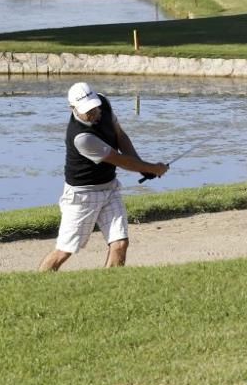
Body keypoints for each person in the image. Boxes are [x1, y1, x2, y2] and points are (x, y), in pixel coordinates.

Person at [38, 82, 169, 271]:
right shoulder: (82, 137)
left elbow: (120, 136)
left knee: (120, 243)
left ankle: (110, 287)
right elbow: (119, 160)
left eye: (94, 107)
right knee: (64, 251)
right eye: (87, 111)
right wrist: (153, 168)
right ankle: (40, 282)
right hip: (82, 196)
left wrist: (143, 167)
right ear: (72, 109)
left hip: (109, 188)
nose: (93, 113)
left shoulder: (104, 103)